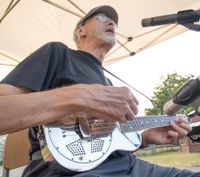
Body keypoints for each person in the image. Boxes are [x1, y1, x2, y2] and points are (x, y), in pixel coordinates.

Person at [0, 5, 198, 177]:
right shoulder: (58, 54)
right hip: (63, 170)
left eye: (114, 22)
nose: (112, 22)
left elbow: (101, 141)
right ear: (80, 30)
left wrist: (145, 138)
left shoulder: (108, 82)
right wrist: (79, 96)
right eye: (102, 18)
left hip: (128, 167)